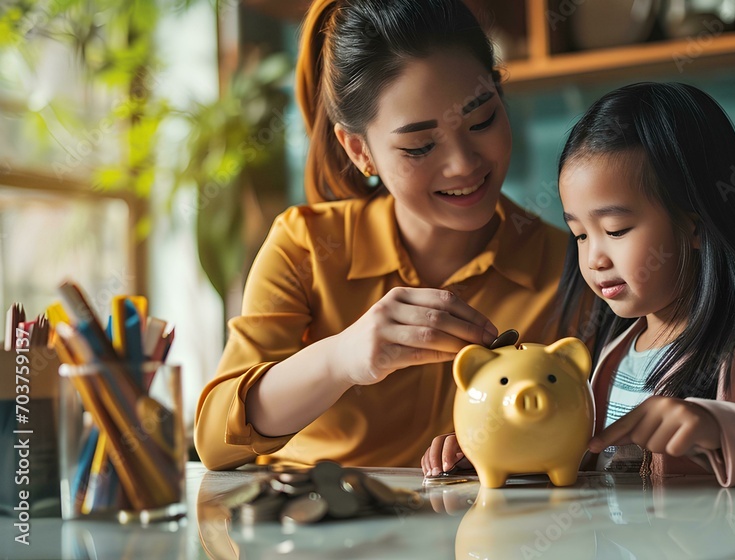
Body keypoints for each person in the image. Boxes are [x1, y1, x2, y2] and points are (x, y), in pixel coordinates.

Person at [422, 82, 735, 487]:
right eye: (580, 234)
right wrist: (492, 449)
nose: (594, 258)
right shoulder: (614, 355)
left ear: (696, 227)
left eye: (616, 230)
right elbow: (582, 465)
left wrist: (717, 426)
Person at [194, 0, 568, 471]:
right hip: (313, 532)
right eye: (420, 146)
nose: (464, 164)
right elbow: (214, 440)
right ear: (359, 150)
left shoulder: (570, 267)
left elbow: (591, 437)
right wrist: (342, 359)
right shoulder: (305, 246)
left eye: (483, 120)